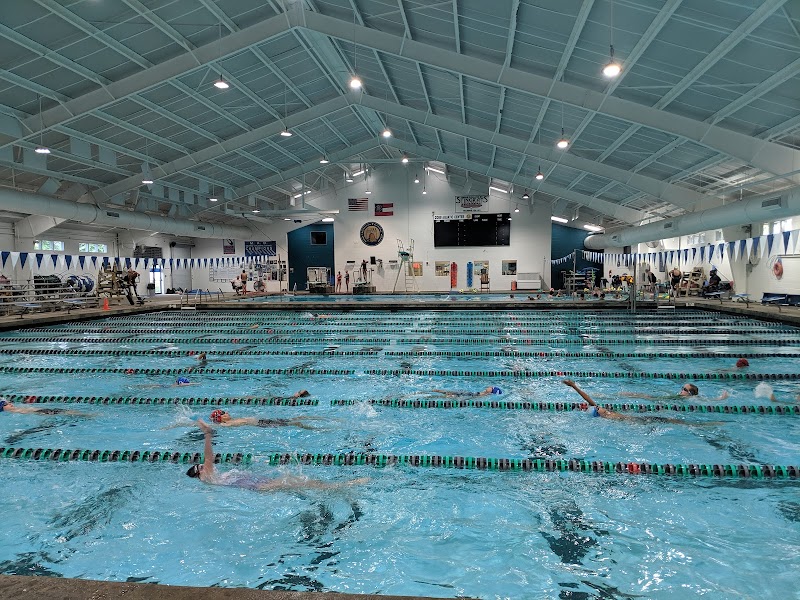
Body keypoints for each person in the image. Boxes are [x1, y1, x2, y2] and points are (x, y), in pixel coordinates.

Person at [186, 420, 369, 490]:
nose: (205, 465)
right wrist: (207, 434)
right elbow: (209, 458)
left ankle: (340, 486)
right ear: (199, 474)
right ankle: (344, 486)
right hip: (261, 487)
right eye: (201, 466)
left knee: (303, 482)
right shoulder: (208, 478)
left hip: (260, 483)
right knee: (304, 484)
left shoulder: (214, 478)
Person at [561, 380, 723, 425]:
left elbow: (587, 399)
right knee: (667, 420)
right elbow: (588, 400)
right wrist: (574, 386)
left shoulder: (598, 410)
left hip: (632, 419)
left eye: (684, 389)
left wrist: (574, 386)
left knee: (667, 420)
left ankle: (702, 425)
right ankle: (702, 425)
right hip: (633, 420)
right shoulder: (600, 412)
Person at [208, 408, 324, 429]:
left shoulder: (233, 420)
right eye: (223, 413)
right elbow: (213, 425)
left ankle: (322, 419)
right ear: (220, 418)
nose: (227, 412)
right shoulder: (225, 424)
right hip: (263, 424)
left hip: (264, 421)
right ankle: (317, 429)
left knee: (298, 418)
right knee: (296, 423)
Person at [620, 383, 729, 401]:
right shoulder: (681, 396)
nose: (681, 390)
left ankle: (628, 394)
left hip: (666, 400)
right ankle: (628, 394)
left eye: (684, 389)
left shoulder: (693, 399)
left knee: (645, 396)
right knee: (644, 395)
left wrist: (721, 398)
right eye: (682, 388)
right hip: (668, 399)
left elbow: (708, 401)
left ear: (690, 393)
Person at [0, 399, 91, 417]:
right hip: (43, 412)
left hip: (43, 411)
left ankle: (86, 415)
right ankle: (87, 415)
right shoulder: (14, 412)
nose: (10, 404)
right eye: (5, 404)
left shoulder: (15, 411)